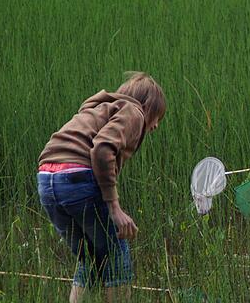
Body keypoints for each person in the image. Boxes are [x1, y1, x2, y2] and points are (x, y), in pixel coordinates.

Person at [36, 72, 166, 302]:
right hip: (77, 177)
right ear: (148, 106)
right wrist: (114, 207)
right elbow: (102, 148)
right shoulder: (133, 112)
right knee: (117, 254)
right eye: (157, 117)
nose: (155, 126)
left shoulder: (98, 109)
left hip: (46, 179)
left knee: (90, 257)